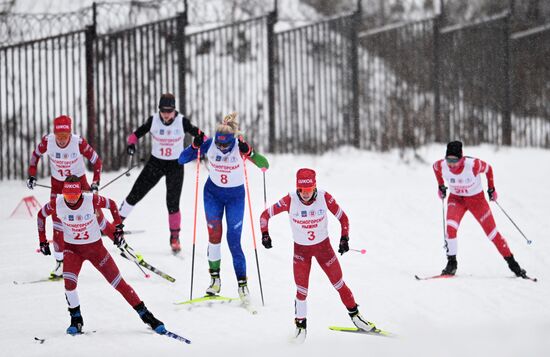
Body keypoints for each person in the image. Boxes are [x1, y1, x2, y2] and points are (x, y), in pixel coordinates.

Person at [36, 175, 166, 335]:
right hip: (72, 250)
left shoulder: (91, 200)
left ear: (80, 194)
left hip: (96, 250)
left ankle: (146, 315)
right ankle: (76, 319)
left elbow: (111, 204)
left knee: (119, 283)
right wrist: (42, 240)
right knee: (69, 284)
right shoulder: (58, 203)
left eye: (74, 196)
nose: (71, 200)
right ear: (63, 193)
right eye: (67, 196)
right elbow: (40, 215)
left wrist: (118, 228)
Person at [259, 168, 375, 339]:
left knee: (339, 284)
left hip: (324, 250)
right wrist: (265, 234)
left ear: (314, 187)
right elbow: (264, 215)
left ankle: (357, 317)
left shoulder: (324, 197)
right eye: (301, 190)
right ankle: (300, 327)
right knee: (301, 291)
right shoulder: (289, 200)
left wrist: (344, 238)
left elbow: (343, 218)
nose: (305, 194)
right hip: (301, 253)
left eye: (308, 190)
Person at [178, 112, 269, 301]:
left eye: (225, 145)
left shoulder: (238, 146)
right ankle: (215, 281)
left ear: (232, 140)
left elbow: (264, 165)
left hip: (235, 197)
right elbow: (181, 159)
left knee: (234, 241)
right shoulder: (210, 143)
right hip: (213, 195)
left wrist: (250, 152)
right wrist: (194, 145)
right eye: (219, 144)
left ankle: (242, 286)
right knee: (214, 237)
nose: (221, 148)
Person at [26, 115, 116, 278]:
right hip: (58, 187)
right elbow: (34, 157)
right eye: (58, 136)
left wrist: (95, 182)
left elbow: (97, 161)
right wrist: (32, 175)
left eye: (65, 136)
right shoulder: (48, 141)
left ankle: (119, 240)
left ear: (70, 133)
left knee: (97, 217)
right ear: (54, 133)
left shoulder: (78, 142)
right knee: (58, 224)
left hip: (79, 185)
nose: (61, 140)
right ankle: (60, 263)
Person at [119, 93, 205, 254]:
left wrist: (200, 143)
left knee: (172, 203)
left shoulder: (182, 122)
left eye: (169, 111)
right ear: (159, 110)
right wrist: (131, 144)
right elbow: (135, 135)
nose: (166, 115)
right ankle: (115, 225)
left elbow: (202, 136)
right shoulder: (153, 120)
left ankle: (174, 237)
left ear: (174, 110)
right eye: (163, 111)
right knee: (135, 194)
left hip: (175, 166)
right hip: (155, 163)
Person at [433, 140, 528, 278]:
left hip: (476, 200)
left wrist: (491, 188)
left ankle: (514, 265)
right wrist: (441, 186)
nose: (451, 164)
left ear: (462, 158)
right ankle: (451, 264)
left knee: (492, 234)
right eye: (448, 160)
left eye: (455, 160)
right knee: (450, 228)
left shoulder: (473, 165)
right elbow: (435, 169)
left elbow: (489, 169)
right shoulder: (441, 165)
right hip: (456, 199)